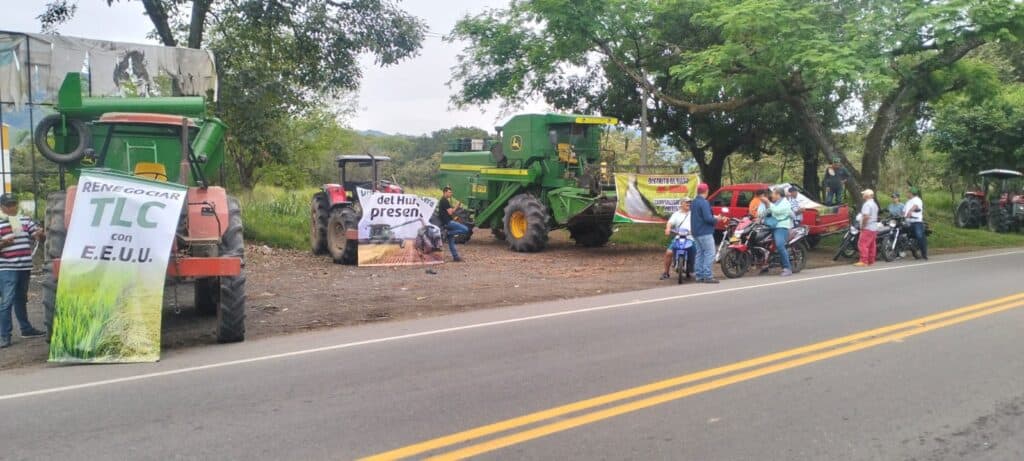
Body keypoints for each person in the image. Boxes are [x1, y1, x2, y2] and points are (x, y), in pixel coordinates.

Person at [0, 194, 45, 348]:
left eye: (14, 204)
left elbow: (37, 237)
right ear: (2, 206)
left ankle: (26, 329)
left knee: (21, 300)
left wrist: (40, 233)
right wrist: (3, 243)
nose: (12, 207)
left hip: (24, 267)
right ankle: (4, 335)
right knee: (6, 302)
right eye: (9, 205)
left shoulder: (25, 220)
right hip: (7, 268)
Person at [691, 183, 721, 284]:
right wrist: (717, 219)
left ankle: (699, 275)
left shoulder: (694, 202)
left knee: (700, 253)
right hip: (705, 231)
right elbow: (708, 218)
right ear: (706, 191)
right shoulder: (704, 203)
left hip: (696, 231)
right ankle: (707, 275)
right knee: (710, 253)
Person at [661, 197, 695, 281]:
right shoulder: (676, 214)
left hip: (691, 238)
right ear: (681, 204)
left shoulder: (694, 213)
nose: (688, 204)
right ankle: (666, 273)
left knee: (696, 251)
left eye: (689, 202)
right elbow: (670, 222)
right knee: (669, 253)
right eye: (686, 202)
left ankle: (696, 269)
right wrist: (668, 229)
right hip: (679, 237)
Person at [768, 188, 794, 277]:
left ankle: (787, 268)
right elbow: (765, 212)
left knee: (779, 245)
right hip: (771, 225)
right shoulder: (774, 203)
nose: (771, 195)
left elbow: (777, 211)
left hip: (781, 226)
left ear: (778, 194)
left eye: (773, 194)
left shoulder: (785, 203)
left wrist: (768, 204)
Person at [437, 187, 468, 262]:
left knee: (451, 242)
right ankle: (448, 233)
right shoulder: (444, 201)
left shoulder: (444, 200)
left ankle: (456, 257)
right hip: (448, 222)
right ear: (445, 192)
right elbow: (450, 212)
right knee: (465, 229)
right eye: (449, 192)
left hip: (446, 222)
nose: (451, 193)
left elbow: (448, 213)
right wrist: (457, 206)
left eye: (451, 192)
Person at [855, 189, 879, 267]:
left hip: (868, 227)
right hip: (874, 227)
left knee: (862, 244)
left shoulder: (867, 204)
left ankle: (863, 260)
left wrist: (863, 226)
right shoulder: (874, 204)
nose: (863, 195)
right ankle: (871, 260)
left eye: (864, 194)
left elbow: (866, 216)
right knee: (872, 244)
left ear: (867, 195)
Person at [904, 187, 928, 260]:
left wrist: (910, 212)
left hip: (916, 222)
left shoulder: (917, 200)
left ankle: (924, 253)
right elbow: (903, 211)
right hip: (907, 222)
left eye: (908, 192)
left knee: (919, 236)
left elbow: (915, 207)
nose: (907, 194)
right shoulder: (908, 202)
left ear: (911, 193)